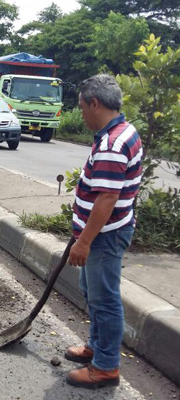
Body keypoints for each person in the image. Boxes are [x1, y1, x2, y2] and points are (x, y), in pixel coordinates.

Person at [65, 74, 143, 389]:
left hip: (105, 235)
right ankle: (97, 347)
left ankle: (106, 367)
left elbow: (107, 198)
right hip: (103, 232)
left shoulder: (113, 142)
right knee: (93, 293)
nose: (81, 113)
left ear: (94, 103)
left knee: (105, 299)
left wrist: (84, 241)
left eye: (82, 107)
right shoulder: (119, 132)